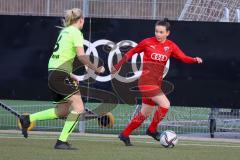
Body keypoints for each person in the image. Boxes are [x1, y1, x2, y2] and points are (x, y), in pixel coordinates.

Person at [19, 8, 104, 150]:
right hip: (60, 75)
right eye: (83, 21)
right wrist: (96, 69)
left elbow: (59, 58)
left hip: (54, 74)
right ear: (81, 20)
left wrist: (70, 74)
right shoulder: (76, 32)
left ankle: (28, 119)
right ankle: (61, 141)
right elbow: (82, 56)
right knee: (79, 107)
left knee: (62, 111)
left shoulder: (64, 32)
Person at [111, 19, 203, 146]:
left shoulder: (171, 46)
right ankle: (152, 130)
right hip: (146, 82)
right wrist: (119, 64)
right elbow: (132, 51)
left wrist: (194, 60)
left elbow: (183, 57)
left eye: (161, 32)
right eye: (156, 31)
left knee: (144, 113)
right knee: (165, 104)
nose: (158, 34)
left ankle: (124, 134)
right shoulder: (147, 42)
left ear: (167, 33)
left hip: (156, 83)